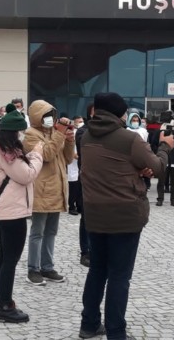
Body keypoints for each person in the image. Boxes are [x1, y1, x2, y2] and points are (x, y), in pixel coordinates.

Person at [79, 92, 174, 340]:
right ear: (121, 114)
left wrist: (136, 168)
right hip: (124, 216)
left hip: (95, 213)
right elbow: (159, 168)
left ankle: (89, 325)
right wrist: (165, 146)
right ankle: (116, 332)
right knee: (120, 276)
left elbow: (109, 166)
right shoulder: (129, 139)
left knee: (97, 270)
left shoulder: (86, 136)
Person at [0, 104, 43, 324]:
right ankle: (5, 306)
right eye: (18, 133)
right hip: (12, 213)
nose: (20, 136)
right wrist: (37, 156)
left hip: (5, 211)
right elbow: (26, 175)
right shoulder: (5, 154)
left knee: (3, 258)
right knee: (10, 260)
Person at [22, 100, 75, 286]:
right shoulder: (30, 135)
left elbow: (67, 159)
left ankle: (47, 266)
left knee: (51, 231)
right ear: (37, 117)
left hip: (57, 188)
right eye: (46, 116)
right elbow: (47, 155)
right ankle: (33, 269)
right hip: (41, 189)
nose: (50, 120)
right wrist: (60, 134)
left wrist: (69, 140)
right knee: (38, 231)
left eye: (52, 116)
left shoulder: (55, 133)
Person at [150, 110, 174, 207]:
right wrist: (157, 155)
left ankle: (173, 200)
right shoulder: (160, 131)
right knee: (161, 181)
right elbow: (153, 144)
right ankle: (160, 199)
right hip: (162, 160)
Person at [75, 105, 94, 267]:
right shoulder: (83, 131)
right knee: (86, 217)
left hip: (103, 180)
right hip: (87, 179)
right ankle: (85, 251)